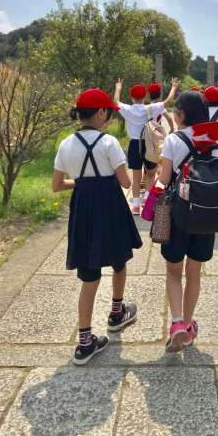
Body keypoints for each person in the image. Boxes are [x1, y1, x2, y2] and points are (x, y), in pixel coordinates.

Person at [52, 88, 142, 366]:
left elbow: (57, 185)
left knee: (89, 275)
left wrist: (81, 183)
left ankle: (84, 342)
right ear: (101, 112)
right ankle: (116, 313)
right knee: (119, 260)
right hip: (111, 207)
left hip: (83, 210)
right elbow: (126, 182)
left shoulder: (66, 144)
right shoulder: (109, 142)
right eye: (108, 113)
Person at [158, 91, 218, 353]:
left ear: (181, 115)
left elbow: (164, 180)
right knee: (194, 272)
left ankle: (176, 322)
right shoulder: (216, 139)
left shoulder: (173, 140)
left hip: (179, 213)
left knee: (174, 271)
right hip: (207, 213)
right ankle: (188, 325)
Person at [114, 78, 179, 215]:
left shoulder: (128, 110)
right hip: (149, 144)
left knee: (136, 177)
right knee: (150, 174)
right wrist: (173, 87)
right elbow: (168, 101)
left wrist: (118, 88)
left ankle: (136, 205)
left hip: (134, 144)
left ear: (131, 97)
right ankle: (147, 201)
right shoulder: (151, 108)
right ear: (145, 97)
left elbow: (115, 102)